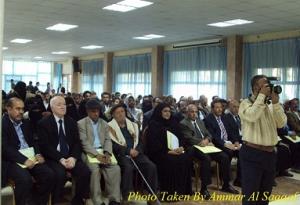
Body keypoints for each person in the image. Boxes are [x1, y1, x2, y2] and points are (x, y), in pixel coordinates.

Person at [239, 75, 287, 205]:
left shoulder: (271, 105)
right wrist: (261, 97)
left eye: (269, 85)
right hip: (252, 153)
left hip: (269, 154)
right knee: (251, 194)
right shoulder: (245, 103)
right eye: (265, 85)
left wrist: (276, 103)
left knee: (265, 194)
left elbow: (281, 123)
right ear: (256, 87)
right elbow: (252, 116)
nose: (268, 87)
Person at [37, 96, 91, 205]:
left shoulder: (71, 122)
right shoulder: (43, 123)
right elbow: (45, 146)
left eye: (64, 104)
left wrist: (73, 158)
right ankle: (56, 201)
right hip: (54, 157)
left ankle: (78, 200)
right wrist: (60, 159)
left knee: (85, 172)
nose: (63, 107)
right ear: (52, 108)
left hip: (70, 156)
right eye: (59, 104)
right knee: (59, 173)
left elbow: (77, 143)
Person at [2, 97, 54, 205]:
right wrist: (24, 160)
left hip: (31, 157)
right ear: (8, 109)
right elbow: (5, 148)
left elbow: (33, 142)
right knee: (25, 179)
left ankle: (38, 202)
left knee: (49, 174)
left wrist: (38, 154)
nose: (21, 112)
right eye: (18, 109)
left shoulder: (26, 123)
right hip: (13, 160)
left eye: (22, 109)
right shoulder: (3, 124)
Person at [180, 104, 238, 199]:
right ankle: (204, 189)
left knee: (224, 156)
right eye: (192, 112)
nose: (194, 114)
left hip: (206, 146)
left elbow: (208, 134)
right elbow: (188, 138)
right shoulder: (183, 123)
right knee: (206, 159)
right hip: (194, 148)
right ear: (187, 113)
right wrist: (202, 142)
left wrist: (207, 140)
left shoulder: (200, 121)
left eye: (196, 112)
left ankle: (226, 185)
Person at [108, 104, 158, 204]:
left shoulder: (133, 125)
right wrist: (128, 151)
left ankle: (152, 194)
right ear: (113, 115)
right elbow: (113, 145)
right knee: (128, 167)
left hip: (136, 153)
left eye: (122, 111)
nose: (121, 114)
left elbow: (140, 142)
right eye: (118, 113)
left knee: (151, 166)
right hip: (121, 154)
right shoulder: (109, 127)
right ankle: (128, 195)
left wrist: (137, 150)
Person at [78, 99, 121, 205]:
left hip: (103, 151)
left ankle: (114, 199)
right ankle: (97, 200)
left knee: (115, 168)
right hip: (88, 152)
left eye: (97, 111)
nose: (96, 113)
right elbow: (84, 142)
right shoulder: (81, 123)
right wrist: (97, 155)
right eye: (93, 111)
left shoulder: (104, 123)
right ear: (87, 111)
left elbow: (107, 140)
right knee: (94, 170)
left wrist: (107, 153)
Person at [146, 103, 193, 200]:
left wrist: (182, 147)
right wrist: (167, 151)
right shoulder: (153, 124)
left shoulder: (174, 122)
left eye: (169, 111)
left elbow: (182, 138)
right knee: (171, 161)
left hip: (175, 150)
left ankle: (182, 191)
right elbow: (153, 143)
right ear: (159, 112)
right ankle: (169, 193)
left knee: (186, 158)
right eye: (165, 111)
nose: (168, 113)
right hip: (159, 152)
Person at [205, 99, 241, 188]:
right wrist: (226, 144)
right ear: (212, 109)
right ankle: (226, 183)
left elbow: (230, 132)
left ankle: (239, 180)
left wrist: (236, 141)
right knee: (228, 153)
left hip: (229, 142)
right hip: (217, 144)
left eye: (221, 107)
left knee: (242, 152)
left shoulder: (224, 117)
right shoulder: (208, 119)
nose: (220, 109)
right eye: (217, 107)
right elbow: (213, 136)